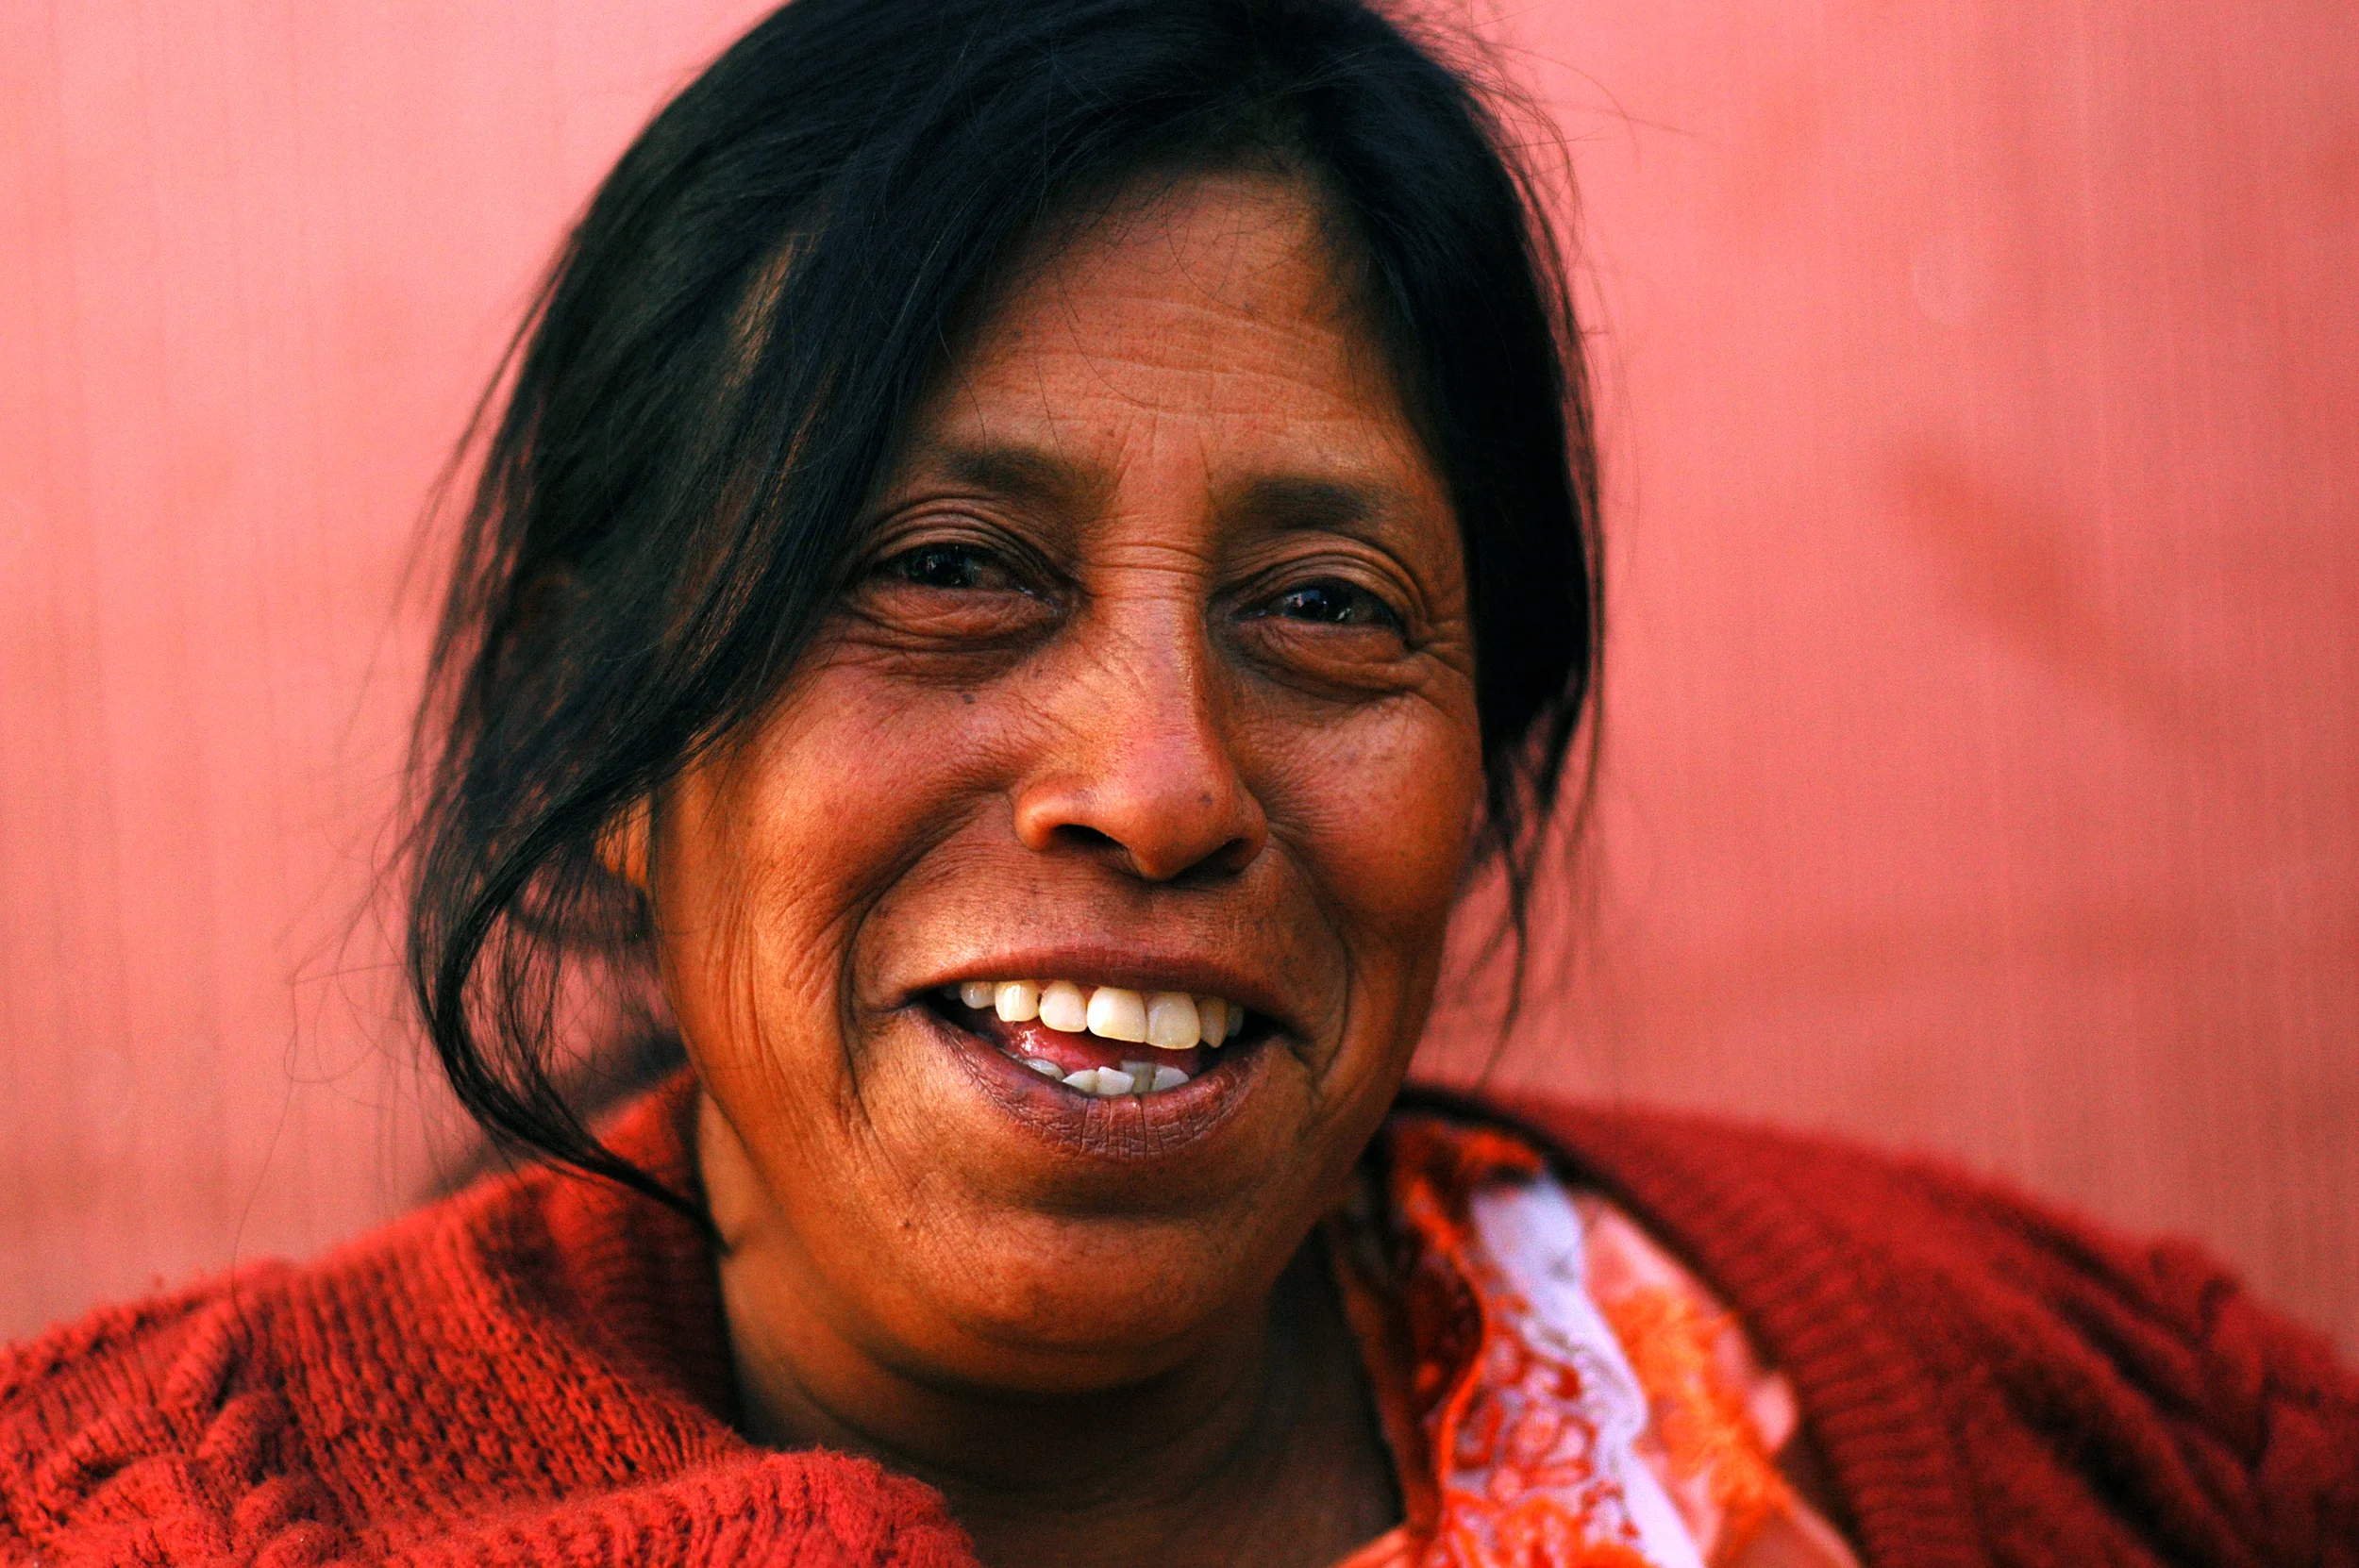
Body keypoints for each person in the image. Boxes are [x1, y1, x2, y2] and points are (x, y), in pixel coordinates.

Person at [5, 1, 2352, 1564]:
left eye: (1324, 606)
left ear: (1483, 745)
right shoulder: (128, 1517)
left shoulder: (2047, 1421)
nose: (1154, 786)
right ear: (594, 731)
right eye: (945, 570)